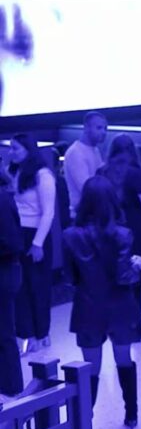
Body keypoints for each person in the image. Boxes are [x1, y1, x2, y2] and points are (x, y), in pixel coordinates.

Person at [63, 176, 141, 429]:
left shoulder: (69, 236)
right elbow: (124, 276)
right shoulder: (122, 234)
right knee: (124, 359)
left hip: (87, 306)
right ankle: (131, 415)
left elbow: (70, 279)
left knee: (90, 368)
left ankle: (84, 422)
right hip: (120, 306)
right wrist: (138, 267)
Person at [99, 134, 141, 341]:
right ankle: (137, 326)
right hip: (134, 234)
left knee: (115, 282)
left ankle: (117, 325)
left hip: (107, 234)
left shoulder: (101, 172)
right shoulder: (135, 174)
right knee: (135, 282)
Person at [10, 134, 56, 355]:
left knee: (38, 286)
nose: (12, 153)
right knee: (21, 287)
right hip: (18, 232)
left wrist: (37, 243)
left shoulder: (43, 175)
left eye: (16, 149)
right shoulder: (15, 172)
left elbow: (48, 212)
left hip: (36, 233)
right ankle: (26, 333)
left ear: (28, 150)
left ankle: (42, 332)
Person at [0, 189, 23, 401]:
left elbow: (12, 242)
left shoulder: (2, 198)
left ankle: (12, 389)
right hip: (7, 270)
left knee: (5, 333)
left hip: (4, 271)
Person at [63, 111, 108, 217]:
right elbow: (86, 188)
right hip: (82, 215)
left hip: (93, 211)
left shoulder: (95, 149)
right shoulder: (76, 152)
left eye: (105, 129)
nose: (103, 132)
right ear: (86, 128)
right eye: (99, 128)